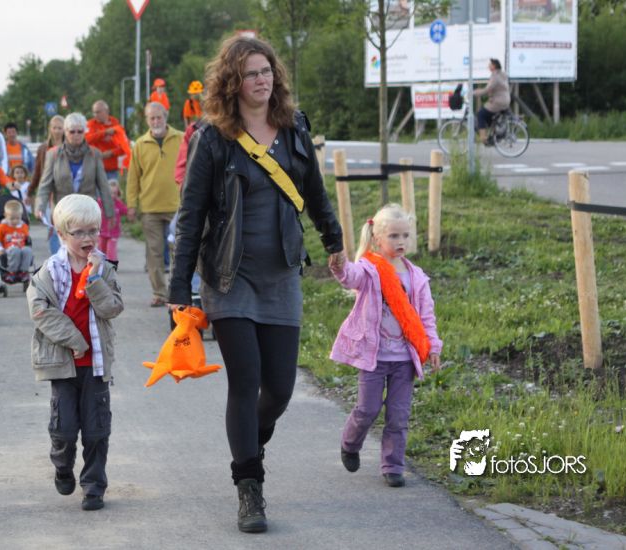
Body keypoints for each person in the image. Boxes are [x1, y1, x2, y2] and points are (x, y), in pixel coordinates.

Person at [167, 36, 343, 533]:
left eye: (266, 71)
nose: (261, 80)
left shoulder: (293, 128)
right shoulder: (212, 139)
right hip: (230, 278)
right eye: (250, 74)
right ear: (233, 82)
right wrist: (179, 289)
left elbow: (314, 192)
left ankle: (250, 441)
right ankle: (249, 487)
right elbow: (191, 215)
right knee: (245, 381)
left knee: (280, 390)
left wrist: (333, 240)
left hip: (282, 274)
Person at [328, 204, 442, 487]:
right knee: (367, 409)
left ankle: (393, 466)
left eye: (405, 235)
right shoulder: (369, 269)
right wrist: (340, 264)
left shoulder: (417, 277)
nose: (401, 241)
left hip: (404, 359)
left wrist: (433, 346)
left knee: (398, 415)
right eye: (393, 236)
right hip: (375, 357)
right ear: (377, 238)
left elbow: (426, 316)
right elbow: (350, 277)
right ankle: (350, 444)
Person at [26, 193, 124, 512]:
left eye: (92, 231)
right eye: (78, 232)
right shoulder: (49, 272)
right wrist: (75, 340)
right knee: (64, 429)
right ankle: (62, 466)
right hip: (63, 363)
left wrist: (93, 279)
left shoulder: (103, 270)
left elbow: (113, 308)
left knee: (97, 430)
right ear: (61, 234)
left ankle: (94, 486)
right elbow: (40, 312)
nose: (87, 239)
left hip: (95, 364)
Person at [126, 102, 182, 307]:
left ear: (166, 117)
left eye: (159, 117)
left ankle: (178, 292)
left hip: (177, 205)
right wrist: (131, 204)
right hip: (150, 207)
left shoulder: (181, 139)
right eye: (152, 118)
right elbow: (133, 178)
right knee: (154, 253)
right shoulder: (140, 145)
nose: (156, 121)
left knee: (179, 251)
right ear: (147, 120)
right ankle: (159, 293)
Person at [35, 112, 115, 232]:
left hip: (87, 214)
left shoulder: (94, 154)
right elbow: (45, 185)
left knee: (84, 243)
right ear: (65, 132)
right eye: (72, 131)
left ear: (85, 132)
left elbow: (104, 186)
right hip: (62, 213)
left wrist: (110, 213)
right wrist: (40, 207)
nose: (76, 135)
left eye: (80, 131)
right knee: (60, 244)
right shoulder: (53, 154)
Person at [30, 115, 64, 254]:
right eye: (54, 128)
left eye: (60, 128)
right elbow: (38, 171)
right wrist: (31, 191)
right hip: (48, 192)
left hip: (63, 192)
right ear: (50, 129)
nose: (57, 131)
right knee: (53, 225)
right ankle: (57, 257)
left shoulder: (68, 148)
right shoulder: (43, 148)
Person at [86, 101, 131, 181]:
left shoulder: (115, 124)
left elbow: (124, 146)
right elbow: (86, 139)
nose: (95, 115)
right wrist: (104, 133)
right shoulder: (91, 124)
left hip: (111, 169)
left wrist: (111, 153)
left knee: (111, 189)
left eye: (98, 112)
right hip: (95, 168)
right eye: (94, 112)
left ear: (107, 111)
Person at [0, 199, 32, 282]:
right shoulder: (2, 227)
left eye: (18, 218)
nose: (15, 221)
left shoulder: (23, 226)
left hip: (21, 248)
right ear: (5, 215)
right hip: (7, 250)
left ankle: (23, 272)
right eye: (12, 218)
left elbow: (27, 239)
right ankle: (11, 272)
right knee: (15, 250)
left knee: (27, 250)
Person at [473, 58, 510, 146]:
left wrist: (474, 93)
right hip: (505, 100)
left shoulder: (495, 76)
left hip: (498, 102)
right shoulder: (502, 74)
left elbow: (487, 89)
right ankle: (493, 134)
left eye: (490, 64)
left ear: (494, 66)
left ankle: (483, 138)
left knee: (480, 114)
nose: (488, 66)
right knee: (488, 114)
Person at [98, 180, 128, 262]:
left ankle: (111, 266)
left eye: (115, 193)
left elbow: (125, 211)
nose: (112, 195)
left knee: (111, 251)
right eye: (110, 193)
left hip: (114, 233)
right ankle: (101, 266)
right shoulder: (100, 202)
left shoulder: (118, 203)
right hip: (102, 232)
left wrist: (130, 211)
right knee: (101, 251)